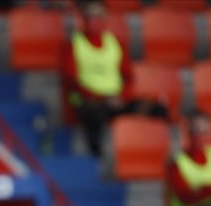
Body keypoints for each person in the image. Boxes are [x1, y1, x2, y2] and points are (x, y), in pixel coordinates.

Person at [61, 0, 166, 157]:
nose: (93, 20)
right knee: (92, 112)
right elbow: (71, 80)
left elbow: (128, 77)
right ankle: (96, 158)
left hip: (117, 100)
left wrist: (121, 97)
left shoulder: (114, 43)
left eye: (97, 16)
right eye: (90, 16)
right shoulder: (73, 45)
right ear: (84, 18)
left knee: (156, 109)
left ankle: (148, 153)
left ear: (104, 18)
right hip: (88, 100)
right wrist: (101, 97)